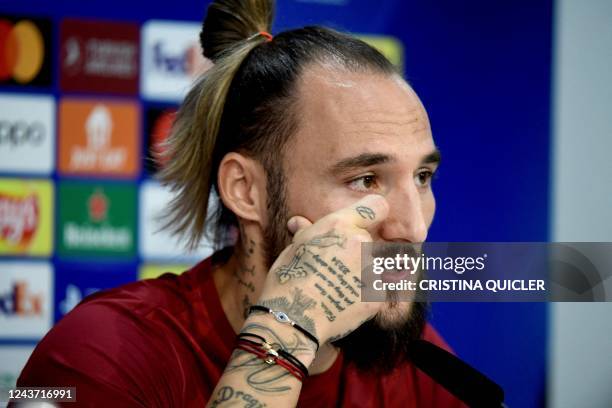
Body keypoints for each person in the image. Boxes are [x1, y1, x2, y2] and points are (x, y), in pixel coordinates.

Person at [17, 0, 464, 406]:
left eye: (423, 177)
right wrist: (286, 332)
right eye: (366, 179)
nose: (413, 228)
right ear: (246, 189)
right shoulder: (101, 352)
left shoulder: (419, 365)